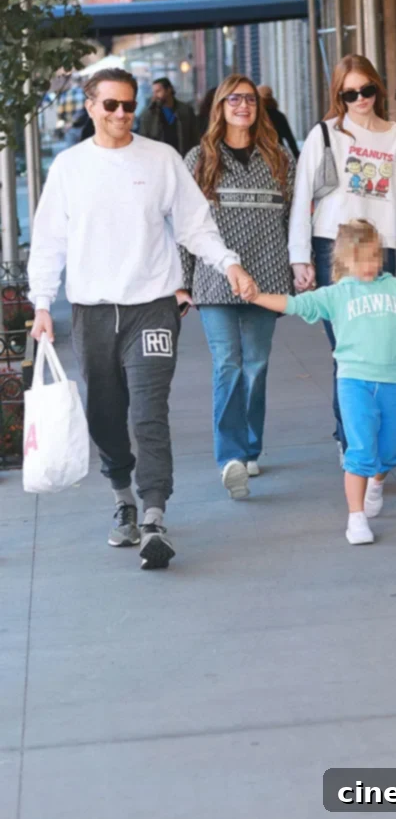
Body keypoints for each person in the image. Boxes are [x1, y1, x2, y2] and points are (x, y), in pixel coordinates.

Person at [28, 69, 256, 571]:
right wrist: (42, 304)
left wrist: (229, 263)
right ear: (89, 106)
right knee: (105, 415)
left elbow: (195, 224)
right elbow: (48, 241)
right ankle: (123, 497)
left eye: (128, 106)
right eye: (110, 106)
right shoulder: (69, 168)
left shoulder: (160, 159)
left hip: (152, 304)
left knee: (149, 412)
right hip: (92, 309)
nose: (121, 115)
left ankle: (154, 514)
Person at [288, 54, 396, 461]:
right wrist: (300, 257)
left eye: (366, 90)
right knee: (349, 348)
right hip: (333, 247)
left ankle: (363, 435)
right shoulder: (325, 134)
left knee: (375, 344)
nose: (360, 99)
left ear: (377, 88)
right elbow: (302, 197)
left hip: (379, 248)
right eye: (349, 93)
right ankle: (352, 439)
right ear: (339, 95)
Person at [253, 219, 396, 545]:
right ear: (345, 261)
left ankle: (376, 483)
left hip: (388, 381)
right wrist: (257, 297)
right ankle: (356, 519)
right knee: (359, 448)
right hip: (353, 382)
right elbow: (295, 304)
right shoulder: (336, 294)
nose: (371, 265)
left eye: (375, 256)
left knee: (389, 451)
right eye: (362, 260)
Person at [178, 75, 295, 500]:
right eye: (234, 99)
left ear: (258, 107)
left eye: (249, 99)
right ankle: (229, 457)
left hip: (267, 278)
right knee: (228, 364)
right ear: (220, 106)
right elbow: (186, 226)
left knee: (256, 366)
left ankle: (249, 447)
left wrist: (295, 267)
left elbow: (292, 219)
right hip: (214, 281)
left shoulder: (279, 157)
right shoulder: (199, 158)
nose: (243, 105)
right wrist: (181, 283)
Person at [139, 77, 199, 156]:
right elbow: (144, 140)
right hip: (160, 159)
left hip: (183, 157)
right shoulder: (149, 114)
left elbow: (195, 137)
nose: (155, 95)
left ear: (168, 90)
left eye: (158, 91)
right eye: (154, 92)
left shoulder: (186, 110)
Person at [257, 85, 300, 159]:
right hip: (278, 156)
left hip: (260, 156)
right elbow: (290, 140)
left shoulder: (256, 117)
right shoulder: (279, 116)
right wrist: (298, 157)